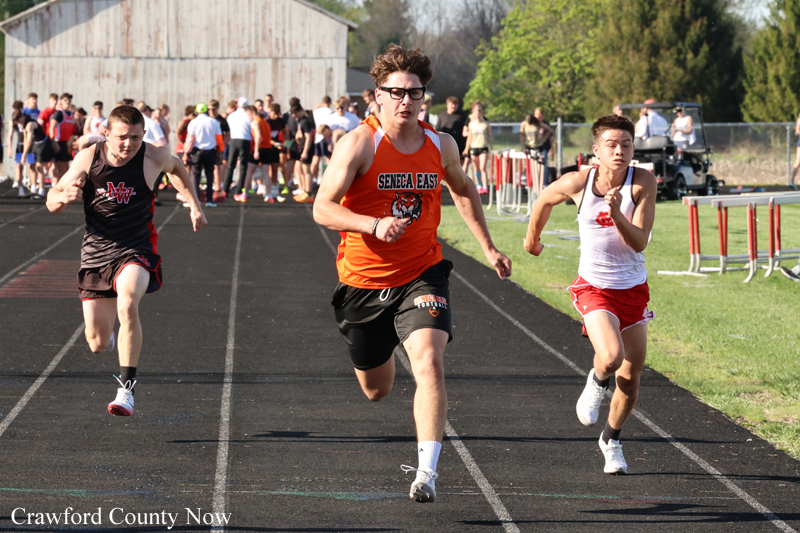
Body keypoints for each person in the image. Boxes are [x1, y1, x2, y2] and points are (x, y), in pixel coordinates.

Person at [313, 44, 512, 503]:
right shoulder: (359, 143)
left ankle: (427, 472)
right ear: (376, 96)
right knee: (376, 390)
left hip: (423, 274)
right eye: (396, 92)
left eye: (415, 93)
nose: (406, 101)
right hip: (363, 282)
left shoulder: (440, 144)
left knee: (430, 364)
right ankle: (376, 359)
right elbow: (322, 208)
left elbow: (462, 190)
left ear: (425, 98)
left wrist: (488, 247)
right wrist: (372, 224)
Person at [45, 105, 207, 417]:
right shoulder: (89, 158)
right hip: (96, 253)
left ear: (143, 135)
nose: (127, 144)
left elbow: (178, 169)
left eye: (134, 137)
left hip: (137, 249)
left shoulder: (153, 156)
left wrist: (194, 205)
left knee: (128, 302)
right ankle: (112, 338)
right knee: (96, 342)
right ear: (107, 134)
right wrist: (62, 199)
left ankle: (127, 388)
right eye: (121, 137)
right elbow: (53, 196)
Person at [523, 114, 657, 475]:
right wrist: (532, 239)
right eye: (611, 145)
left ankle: (610, 440)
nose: (620, 151)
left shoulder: (643, 182)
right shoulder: (578, 182)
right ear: (595, 150)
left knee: (630, 381)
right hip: (594, 287)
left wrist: (617, 214)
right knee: (611, 357)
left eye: (626, 144)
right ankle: (596, 381)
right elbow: (544, 200)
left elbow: (639, 241)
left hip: (633, 289)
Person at [183, 102, 224, 207]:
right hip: (211, 152)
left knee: (195, 176)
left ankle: (195, 201)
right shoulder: (214, 122)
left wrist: (186, 153)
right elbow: (219, 139)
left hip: (197, 152)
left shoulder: (193, 122)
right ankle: (210, 200)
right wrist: (220, 152)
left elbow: (190, 140)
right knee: (210, 176)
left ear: (197, 112)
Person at [234, 105, 271, 203]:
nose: (248, 117)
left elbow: (258, 136)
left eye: (248, 114)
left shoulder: (255, 122)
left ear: (253, 113)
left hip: (259, 149)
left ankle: (245, 194)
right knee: (266, 173)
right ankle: (269, 195)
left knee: (249, 171)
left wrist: (256, 151)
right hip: (267, 149)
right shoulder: (265, 122)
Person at [222, 97, 253, 197]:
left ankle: (225, 190)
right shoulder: (248, 116)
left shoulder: (232, 115)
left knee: (230, 165)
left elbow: (228, 129)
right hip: (245, 141)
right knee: (243, 167)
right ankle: (239, 190)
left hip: (233, 141)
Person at [21, 108, 54, 197]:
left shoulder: (30, 124)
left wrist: (24, 155)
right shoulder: (23, 124)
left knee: (39, 167)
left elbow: (29, 140)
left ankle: (41, 191)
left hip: (42, 145)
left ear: (22, 117)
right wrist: (25, 152)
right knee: (31, 165)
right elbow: (25, 139)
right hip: (34, 145)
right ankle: (33, 189)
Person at [462, 101, 492, 194]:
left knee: (483, 167)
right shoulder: (471, 123)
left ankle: (485, 186)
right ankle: (478, 185)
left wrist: (492, 147)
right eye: (476, 113)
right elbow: (469, 137)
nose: (478, 114)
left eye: (479, 112)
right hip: (474, 147)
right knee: (476, 168)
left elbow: (490, 136)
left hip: (483, 147)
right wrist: (466, 148)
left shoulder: (485, 124)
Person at [50, 93, 78, 186]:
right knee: (60, 168)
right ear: (61, 101)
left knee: (66, 168)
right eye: (65, 100)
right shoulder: (59, 114)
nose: (68, 102)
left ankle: (62, 187)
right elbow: (51, 128)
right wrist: (54, 143)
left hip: (68, 144)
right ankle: (58, 188)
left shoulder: (71, 114)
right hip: (60, 143)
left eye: (69, 100)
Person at [436, 97, 468, 171]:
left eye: (455, 104)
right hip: (445, 145)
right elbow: (438, 130)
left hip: (459, 145)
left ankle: (460, 182)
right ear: (447, 105)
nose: (454, 106)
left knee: (460, 166)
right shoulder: (441, 116)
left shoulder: (462, 116)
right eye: (452, 104)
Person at [291, 104, 314, 203]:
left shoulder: (305, 121)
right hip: (301, 147)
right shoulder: (300, 121)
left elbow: (309, 138)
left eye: (295, 113)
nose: (294, 115)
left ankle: (308, 193)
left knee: (306, 170)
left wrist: (305, 152)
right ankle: (304, 190)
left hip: (306, 148)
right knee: (299, 169)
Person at [208, 100, 230, 198]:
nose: (211, 111)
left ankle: (217, 187)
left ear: (217, 108)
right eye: (209, 109)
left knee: (217, 167)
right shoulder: (205, 119)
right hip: (205, 146)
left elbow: (228, 134)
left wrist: (222, 145)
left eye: (213, 109)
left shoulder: (221, 120)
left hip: (216, 147)